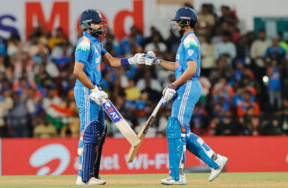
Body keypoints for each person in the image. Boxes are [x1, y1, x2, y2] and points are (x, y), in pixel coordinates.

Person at [145, 7, 228, 185]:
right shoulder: (186, 40)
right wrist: (157, 61)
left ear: (186, 22)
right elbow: (177, 66)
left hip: (187, 87)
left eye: (177, 21)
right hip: (185, 87)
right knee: (182, 131)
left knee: (175, 128)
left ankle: (178, 176)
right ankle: (215, 160)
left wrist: (173, 85)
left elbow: (190, 70)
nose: (175, 24)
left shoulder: (190, 40)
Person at [73, 9, 144, 185]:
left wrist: (132, 60)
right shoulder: (84, 43)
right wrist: (92, 89)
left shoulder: (96, 43)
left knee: (99, 131)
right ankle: (84, 177)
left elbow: (112, 61)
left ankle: (92, 175)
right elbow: (77, 71)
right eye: (97, 23)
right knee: (89, 131)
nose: (101, 26)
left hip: (95, 90)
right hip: (86, 90)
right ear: (88, 25)